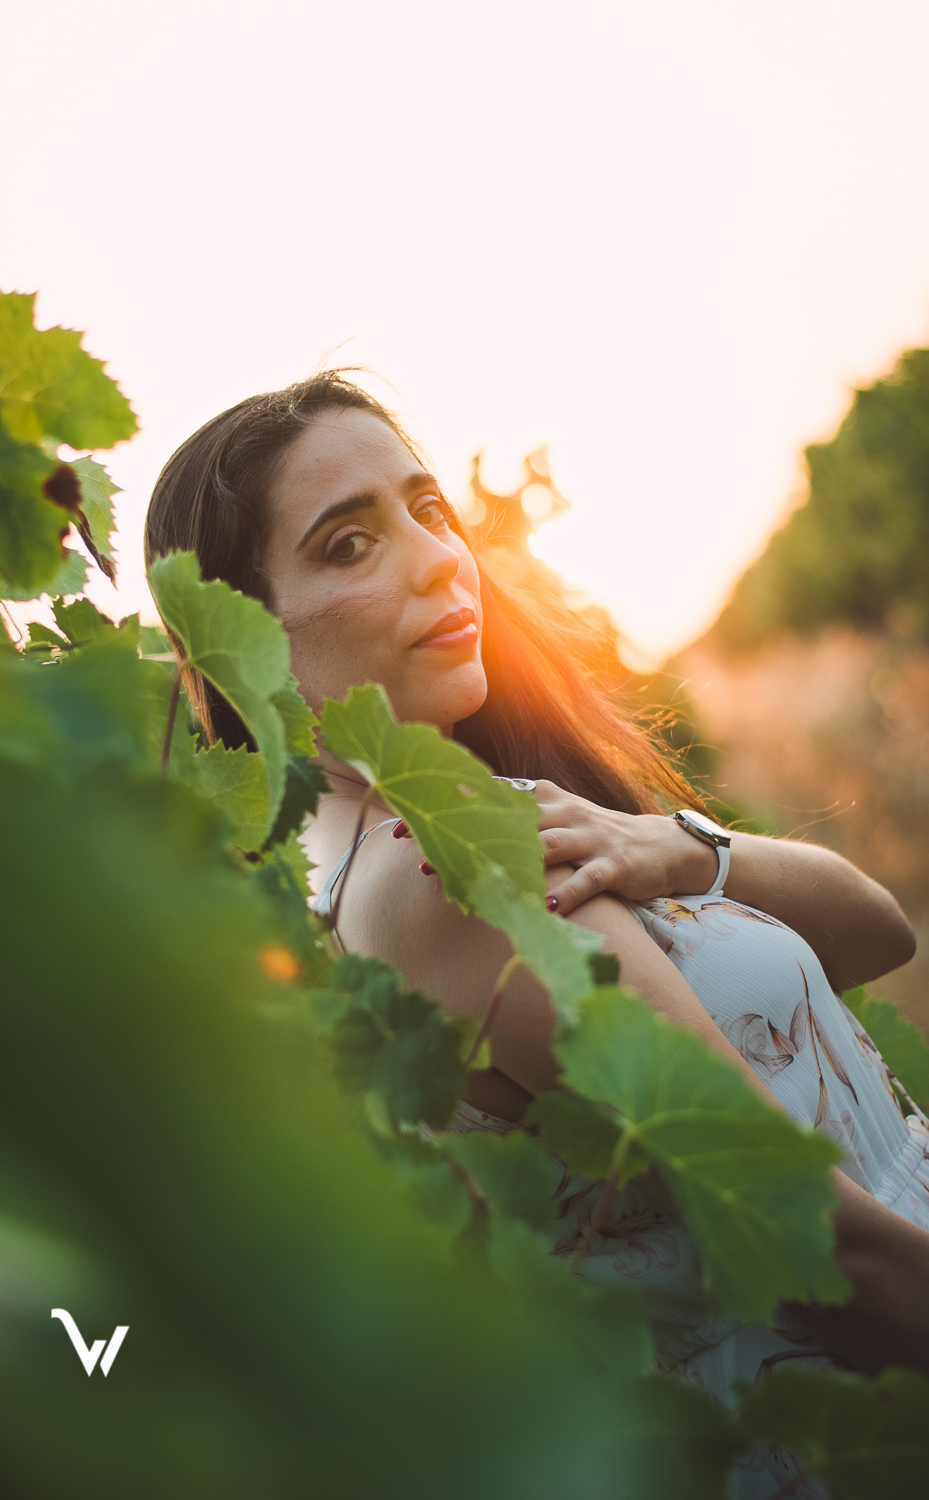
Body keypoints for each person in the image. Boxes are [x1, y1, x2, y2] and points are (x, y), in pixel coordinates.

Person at [146, 375, 927, 1499]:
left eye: (426, 509)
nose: (432, 557)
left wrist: (683, 849)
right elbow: (817, 1247)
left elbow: (878, 936)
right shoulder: (451, 860)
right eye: (349, 543)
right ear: (242, 645)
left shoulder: (356, 863)